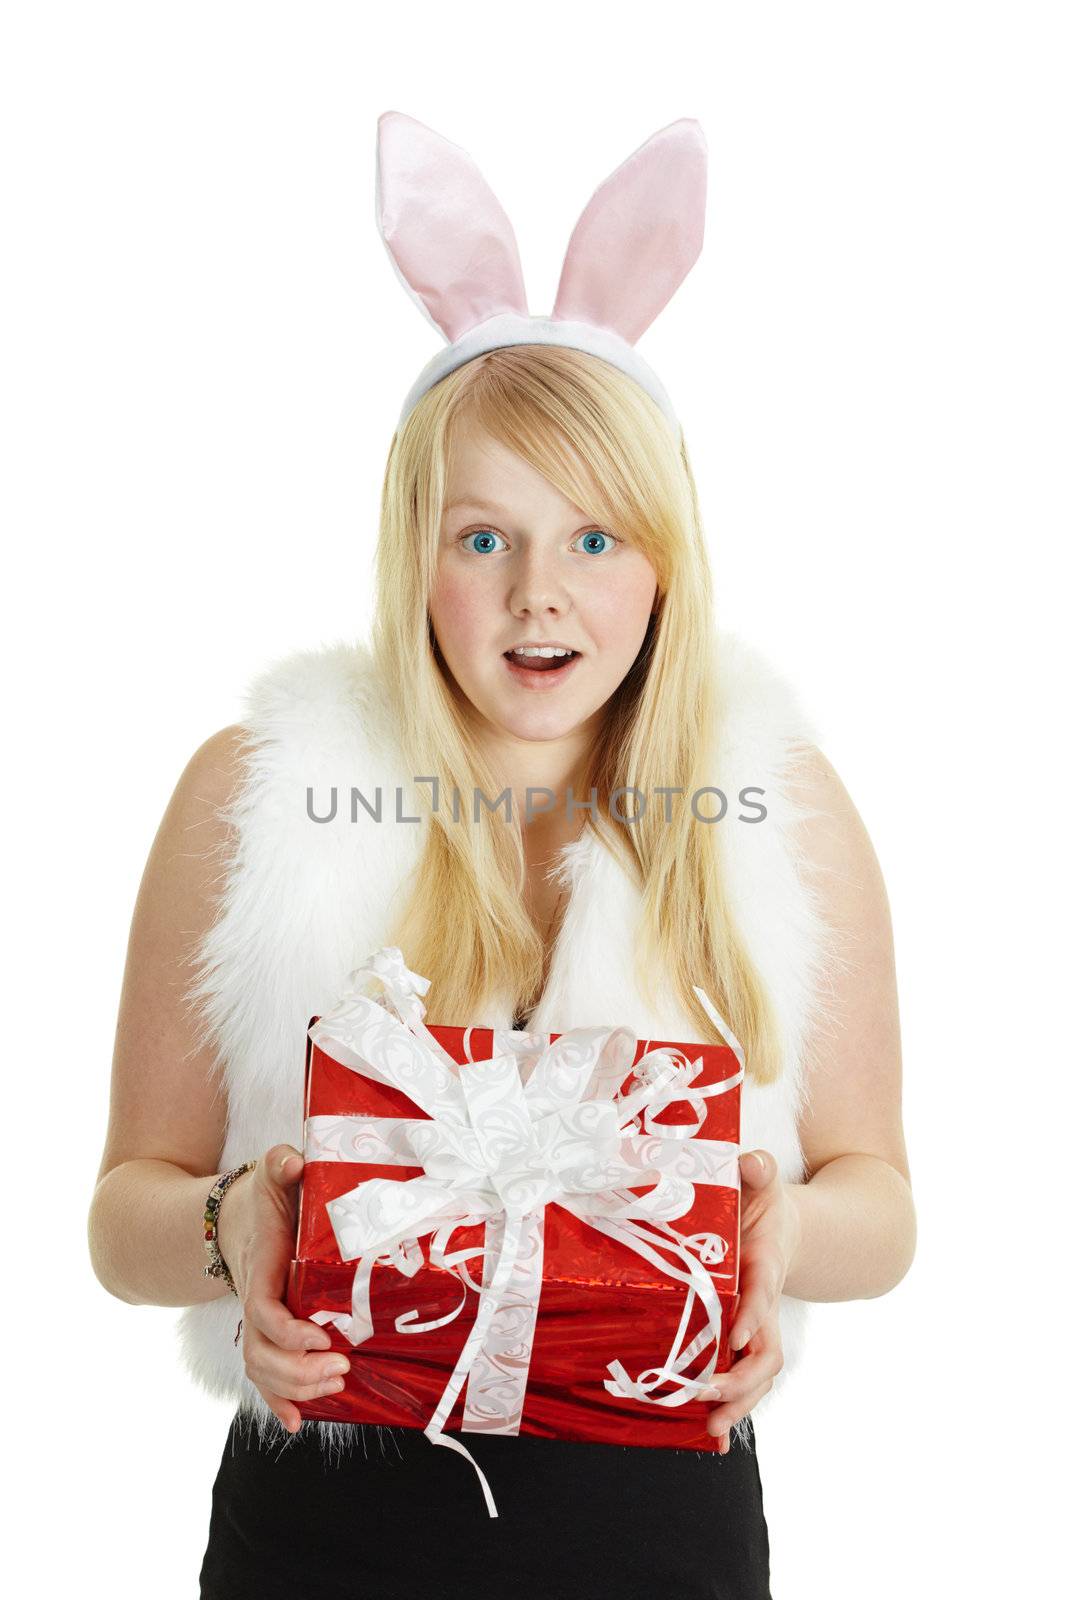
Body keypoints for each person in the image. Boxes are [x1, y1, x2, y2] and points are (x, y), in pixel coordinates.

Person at [88, 112, 916, 1599]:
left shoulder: (777, 815)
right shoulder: (254, 794)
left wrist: (782, 1231)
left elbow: (882, 1204)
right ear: (417, 550)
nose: (541, 594)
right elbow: (124, 1213)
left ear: (665, 557)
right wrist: (234, 1226)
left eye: (595, 539)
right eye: (485, 538)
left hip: (662, 1539)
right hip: (322, 1532)